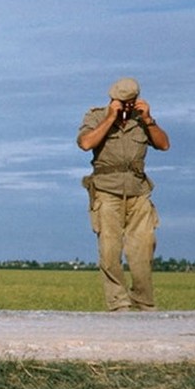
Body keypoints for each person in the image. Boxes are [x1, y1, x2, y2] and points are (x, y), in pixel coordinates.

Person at [77, 77, 170, 312]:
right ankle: (118, 303)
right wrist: (110, 118)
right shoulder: (96, 116)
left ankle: (144, 301)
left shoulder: (142, 120)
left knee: (143, 249)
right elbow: (86, 143)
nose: (128, 106)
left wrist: (148, 120)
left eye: (132, 101)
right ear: (113, 99)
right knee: (109, 251)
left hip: (138, 192)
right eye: (123, 102)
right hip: (107, 192)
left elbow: (164, 145)